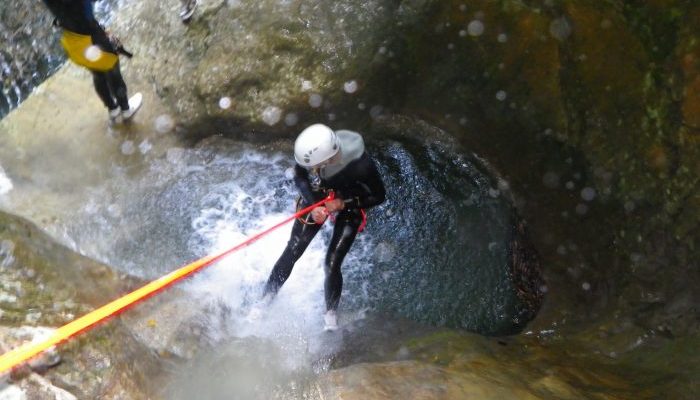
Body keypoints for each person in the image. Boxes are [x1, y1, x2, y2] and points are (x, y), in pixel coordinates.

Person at [263, 124, 386, 331]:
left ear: (328, 158)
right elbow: (299, 176)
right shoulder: (317, 146)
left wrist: (342, 204)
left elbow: (379, 195)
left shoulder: (361, 164)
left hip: (350, 197)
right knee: (294, 248)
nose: (312, 170)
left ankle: (330, 315)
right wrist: (314, 205)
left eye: (315, 166)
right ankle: (265, 300)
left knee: (332, 262)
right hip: (322, 194)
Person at [41, 0, 142, 124]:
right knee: (112, 68)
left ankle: (112, 109)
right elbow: (87, 9)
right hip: (92, 37)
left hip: (75, 41)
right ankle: (126, 110)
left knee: (98, 73)